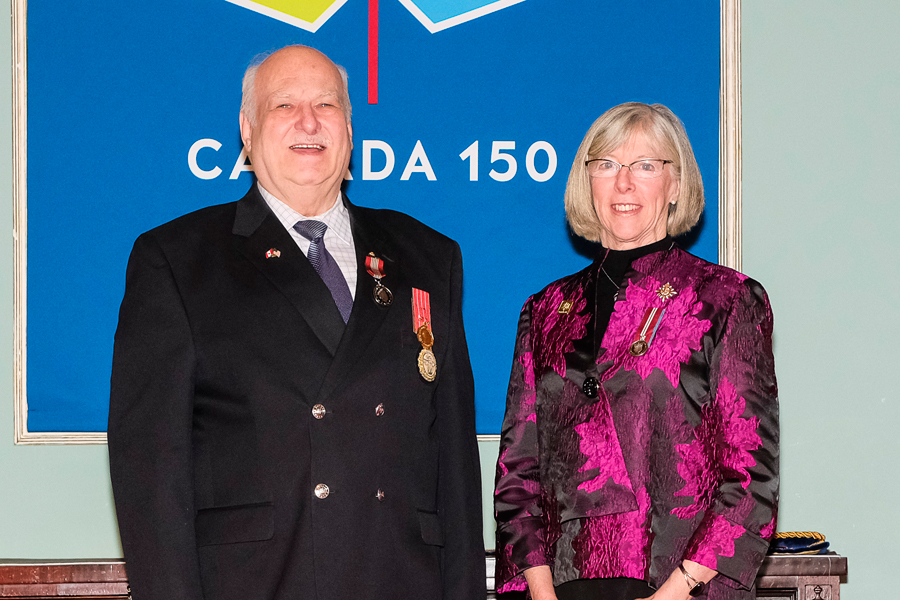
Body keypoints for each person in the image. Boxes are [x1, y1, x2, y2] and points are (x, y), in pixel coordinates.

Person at [108, 45, 485, 600]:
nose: (309, 121)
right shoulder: (178, 260)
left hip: (403, 581)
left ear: (350, 130)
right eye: (284, 105)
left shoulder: (428, 256)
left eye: (327, 105)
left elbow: (455, 469)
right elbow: (151, 480)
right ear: (247, 128)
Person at [493, 102, 778, 600]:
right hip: (561, 587)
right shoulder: (544, 309)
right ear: (588, 183)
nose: (623, 183)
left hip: (679, 585)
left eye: (645, 165)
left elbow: (750, 474)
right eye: (606, 165)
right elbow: (518, 474)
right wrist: (539, 593)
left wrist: (676, 591)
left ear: (676, 184)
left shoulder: (727, 299)